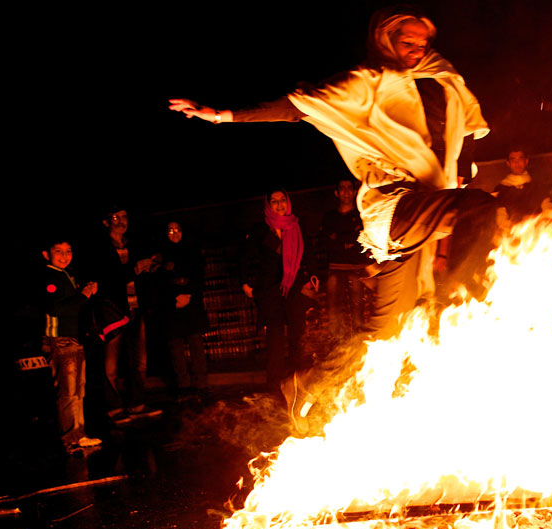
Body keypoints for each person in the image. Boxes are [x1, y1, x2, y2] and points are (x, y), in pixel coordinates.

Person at [169, 6, 496, 341]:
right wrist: (223, 115)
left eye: (422, 42)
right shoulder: (365, 82)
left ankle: (307, 389)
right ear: (385, 39)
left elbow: (468, 124)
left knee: (389, 328)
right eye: (406, 42)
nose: (416, 50)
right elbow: (297, 107)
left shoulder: (442, 75)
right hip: (395, 205)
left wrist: (460, 171)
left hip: (432, 203)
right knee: (483, 207)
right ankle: (490, 296)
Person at [242, 190, 319, 397]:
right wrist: (245, 283)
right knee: (275, 340)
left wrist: (312, 278)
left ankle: (298, 382)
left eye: (282, 200)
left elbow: (308, 255)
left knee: (297, 337)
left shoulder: (296, 226)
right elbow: (248, 258)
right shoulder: (261, 230)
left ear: (288, 202)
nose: (279, 205)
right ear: (268, 205)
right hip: (269, 291)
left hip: (294, 289)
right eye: (274, 202)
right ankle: (275, 386)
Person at [89, 205, 162, 424]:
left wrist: (150, 266)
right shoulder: (101, 248)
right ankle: (114, 408)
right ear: (106, 222)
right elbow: (105, 279)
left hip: (136, 308)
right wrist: (134, 270)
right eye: (115, 217)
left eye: (124, 217)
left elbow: (139, 274)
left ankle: (137, 403)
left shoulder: (133, 245)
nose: (121, 221)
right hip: (113, 311)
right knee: (110, 363)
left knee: (139, 361)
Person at [39, 237, 102, 454]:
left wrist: (85, 293)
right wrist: (83, 295)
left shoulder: (65, 275)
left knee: (78, 390)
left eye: (68, 251)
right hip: (60, 340)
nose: (64, 256)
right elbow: (55, 308)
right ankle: (70, 438)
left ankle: (79, 434)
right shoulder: (49, 276)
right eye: (58, 251)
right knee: (67, 391)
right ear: (47, 254)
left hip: (73, 339)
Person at [156, 221, 209, 398]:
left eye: (177, 229)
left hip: (191, 304)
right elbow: (159, 281)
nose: (174, 233)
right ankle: (183, 384)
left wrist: (188, 293)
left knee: (195, 343)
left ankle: (201, 382)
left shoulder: (192, 250)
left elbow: (198, 276)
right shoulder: (161, 255)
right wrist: (173, 298)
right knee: (176, 347)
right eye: (170, 230)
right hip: (171, 307)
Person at [317, 179, 373, 345]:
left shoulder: (361, 216)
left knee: (358, 310)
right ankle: (338, 346)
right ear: (336, 193)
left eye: (350, 188)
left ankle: (359, 346)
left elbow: (362, 239)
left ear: (355, 192)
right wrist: (348, 239)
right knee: (334, 311)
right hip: (335, 268)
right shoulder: (329, 217)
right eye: (342, 188)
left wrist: (341, 239)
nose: (346, 192)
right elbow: (325, 242)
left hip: (356, 268)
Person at [492, 147, 552, 226]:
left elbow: (548, 208)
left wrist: (550, 216)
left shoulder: (537, 185)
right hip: (514, 234)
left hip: (539, 232)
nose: (517, 163)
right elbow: (501, 218)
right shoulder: (500, 189)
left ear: (526, 161)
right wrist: (517, 227)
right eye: (513, 160)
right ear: (508, 163)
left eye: (520, 159)